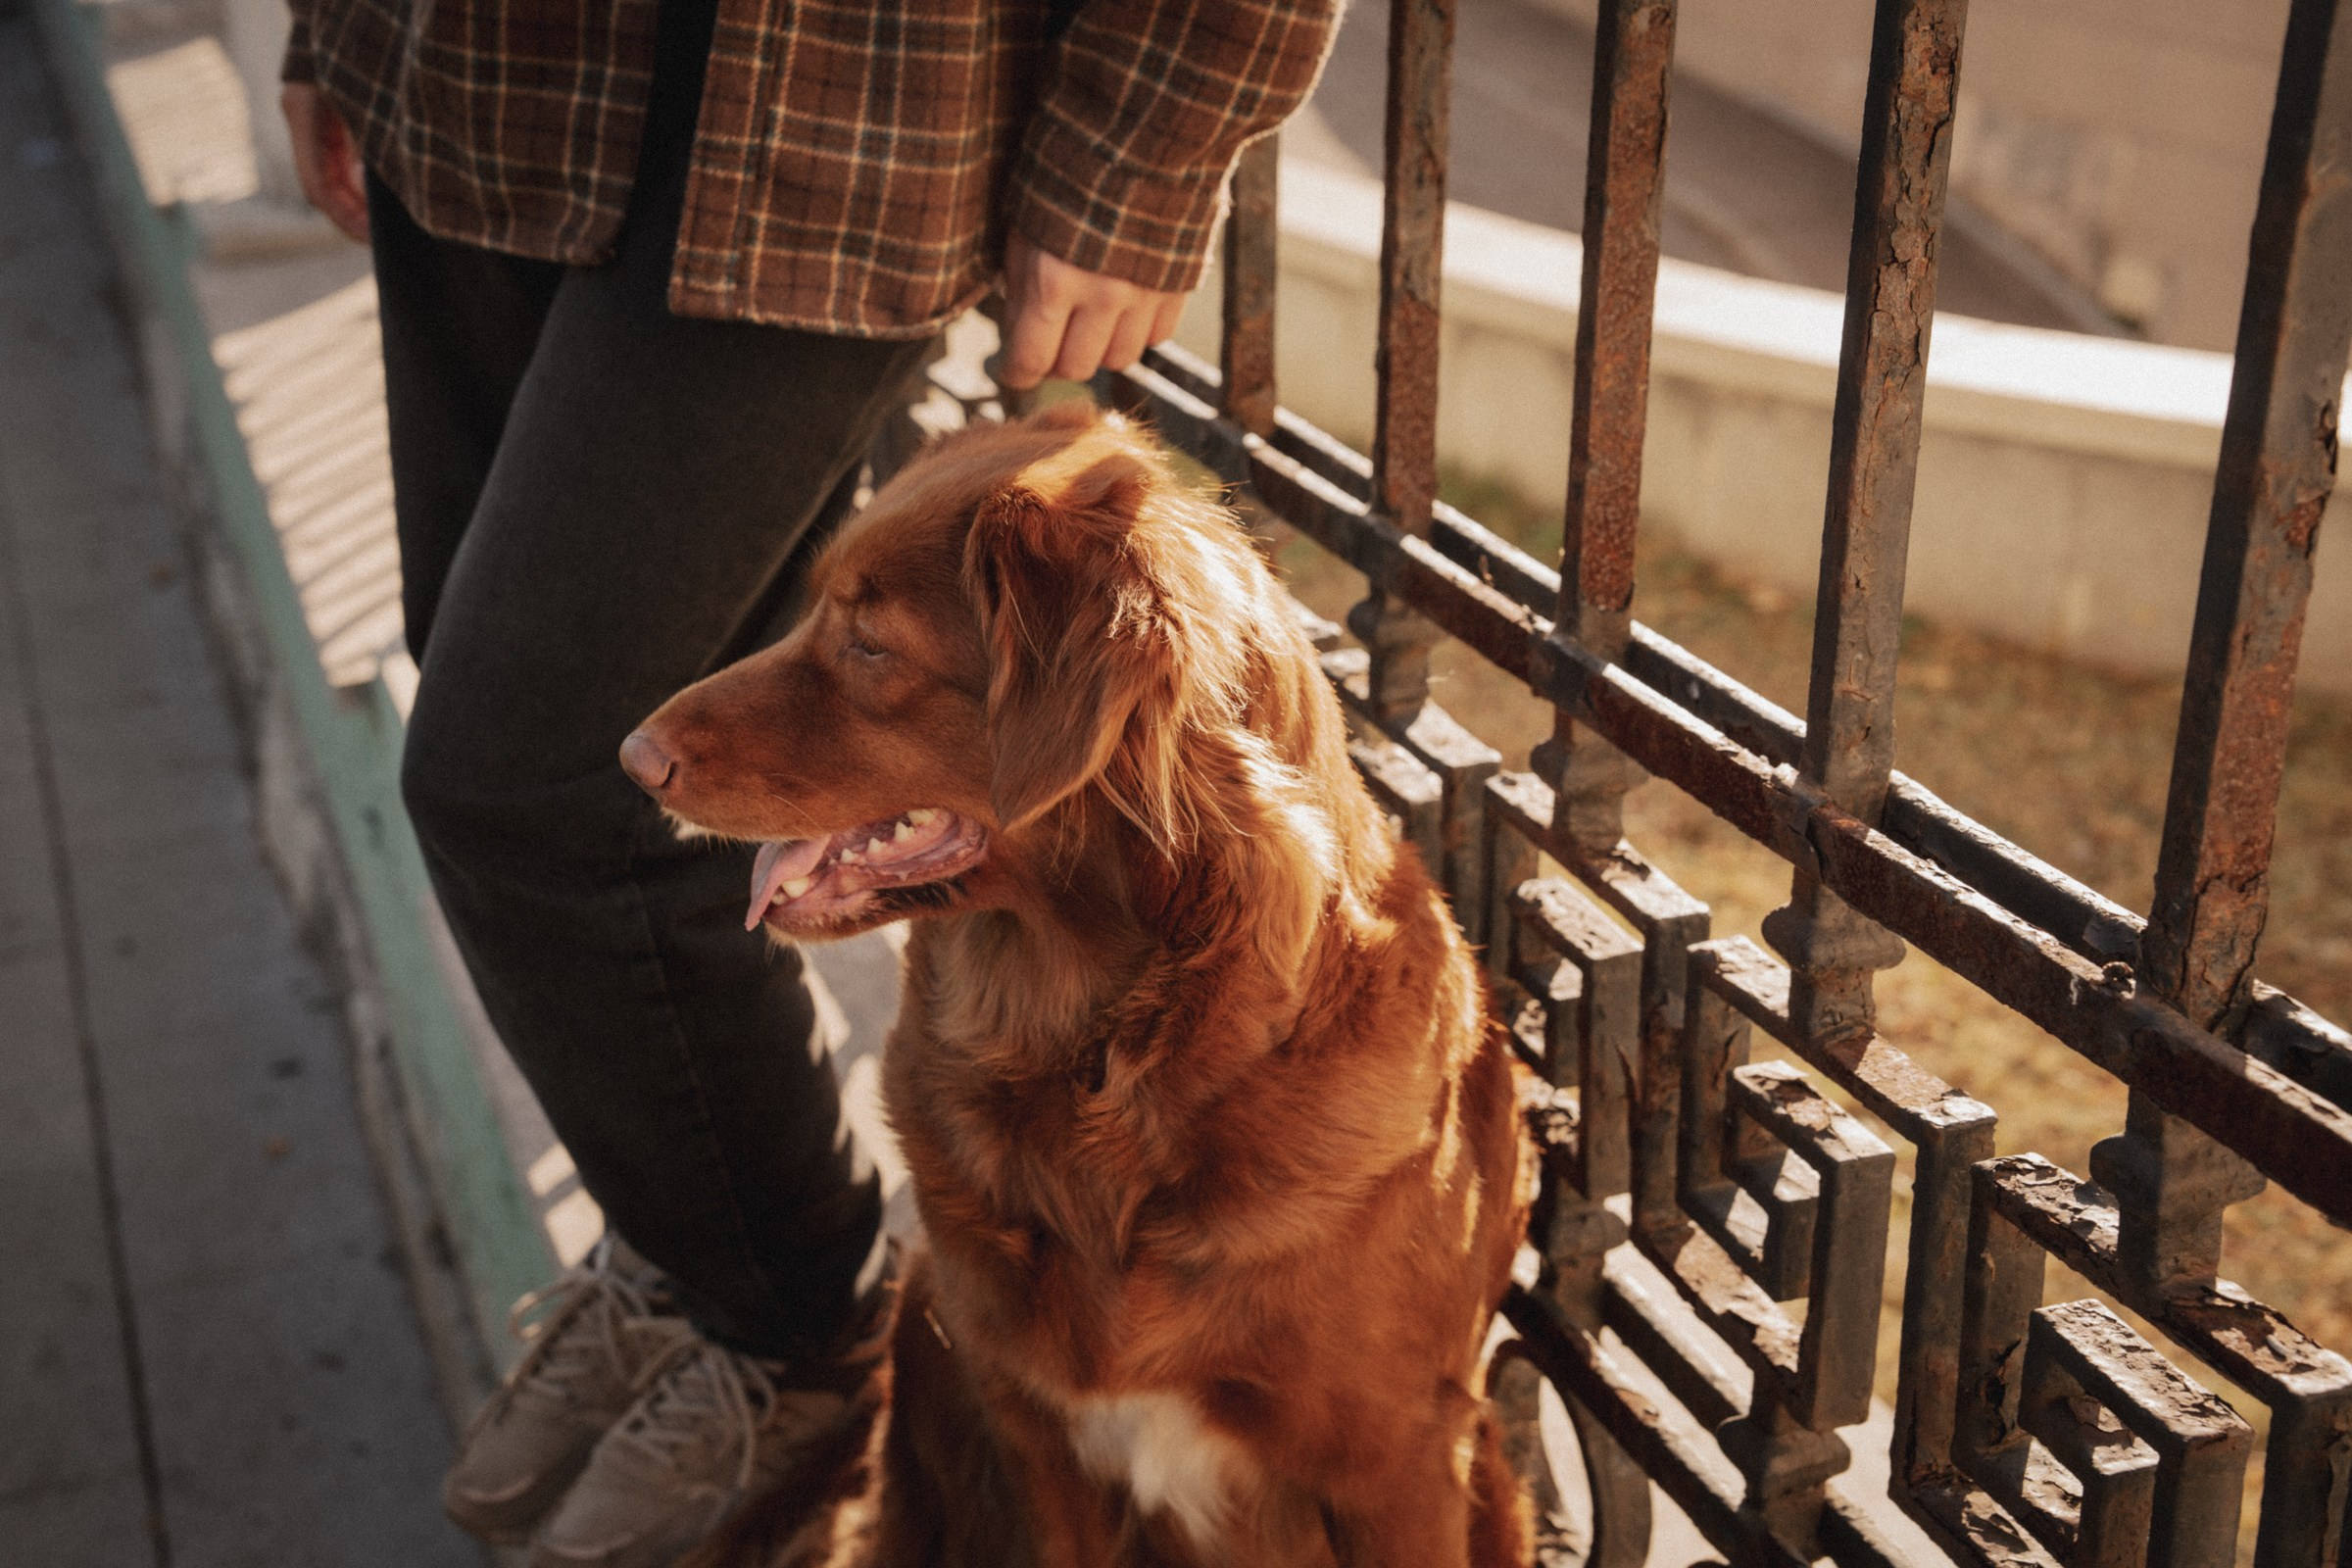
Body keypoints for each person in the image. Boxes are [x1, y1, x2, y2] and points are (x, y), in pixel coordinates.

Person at [276, 0, 1337, 1561]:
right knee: (527, 675)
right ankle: (685, 1243)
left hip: (829, 110)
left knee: (531, 775)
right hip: (476, 64)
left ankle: (789, 1328)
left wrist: (1140, 154)